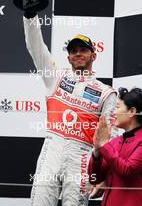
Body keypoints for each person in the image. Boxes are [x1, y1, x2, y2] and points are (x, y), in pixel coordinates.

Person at [23, 13, 118, 206]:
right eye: (73, 50)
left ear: (94, 55)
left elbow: (111, 136)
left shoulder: (106, 92)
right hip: (52, 149)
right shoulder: (56, 78)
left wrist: (105, 173)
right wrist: (29, 16)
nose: (78, 53)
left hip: (82, 157)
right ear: (68, 57)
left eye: (83, 49)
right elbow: (36, 48)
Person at [88, 87, 142, 206]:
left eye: (117, 107)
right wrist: (96, 152)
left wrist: (104, 145)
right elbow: (94, 179)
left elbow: (127, 170)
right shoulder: (115, 142)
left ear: (132, 111)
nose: (114, 112)